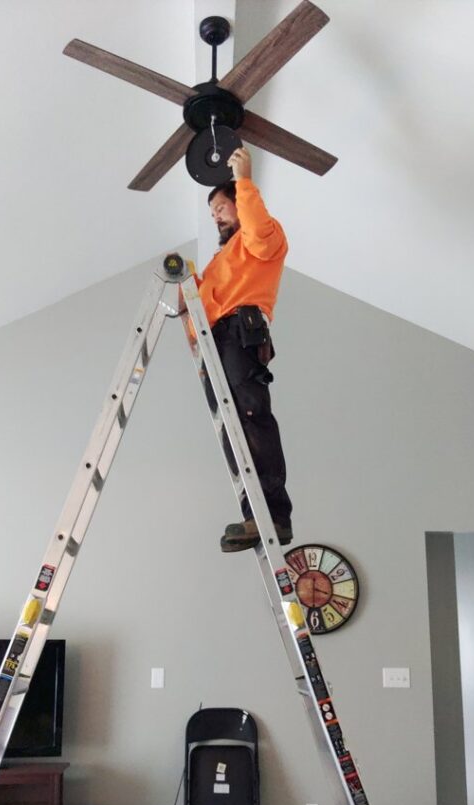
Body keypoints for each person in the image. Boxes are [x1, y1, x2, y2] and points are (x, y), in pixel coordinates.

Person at [196, 147, 293, 553]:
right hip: (216, 341)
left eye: (220, 207)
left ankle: (273, 516)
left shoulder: (262, 238)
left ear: (239, 203)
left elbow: (257, 230)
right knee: (230, 428)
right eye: (212, 212)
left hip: (241, 330)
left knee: (251, 419)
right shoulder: (221, 261)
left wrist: (244, 181)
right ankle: (254, 513)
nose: (215, 216)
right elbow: (201, 306)